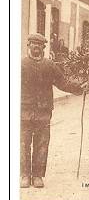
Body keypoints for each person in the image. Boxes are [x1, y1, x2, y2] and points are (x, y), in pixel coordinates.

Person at [21, 33, 85, 188]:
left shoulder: (49, 65)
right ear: (28, 46)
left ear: (43, 47)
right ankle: (24, 175)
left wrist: (79, 88)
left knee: (42, 143)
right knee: (22, 143)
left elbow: (63, 83)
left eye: (39, 45)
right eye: (33, 44)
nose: (36, 47)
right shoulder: (20, 65)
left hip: (44, 111)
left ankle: (37, 176)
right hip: (23, 111)